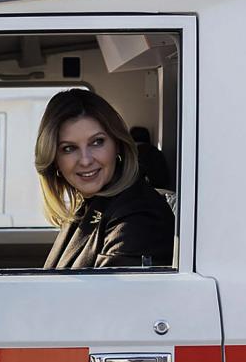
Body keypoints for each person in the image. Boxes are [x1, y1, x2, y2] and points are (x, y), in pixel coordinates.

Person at [34, 89, 175, 269]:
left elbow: (106, 296)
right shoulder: (92, 204)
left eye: (97, 142)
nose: (85, 160)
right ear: (54, 159)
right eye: (69, 148)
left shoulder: (139, 220)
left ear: (117, 144)